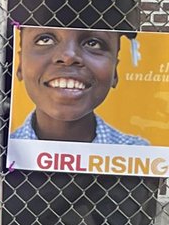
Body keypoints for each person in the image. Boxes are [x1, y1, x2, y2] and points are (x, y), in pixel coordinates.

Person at [10, 25, 149, 144]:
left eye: (93, 43)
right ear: (20, 64)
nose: (68, 57)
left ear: (115, 71)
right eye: (45, 40)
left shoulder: (139, 154)